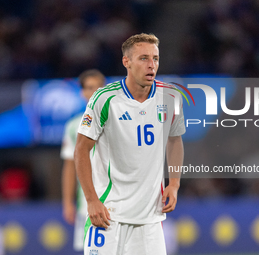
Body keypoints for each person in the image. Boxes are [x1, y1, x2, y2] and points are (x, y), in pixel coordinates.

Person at [74, 33, 185, 255]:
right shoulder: (104, 99)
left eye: (155, 58)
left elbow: (174, 141)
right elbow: (81, 150)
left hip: (150, 218)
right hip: (108, 214)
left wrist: (174, 183)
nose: (151, 65)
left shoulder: (170, 97)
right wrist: (91, 200)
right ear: (127, 62)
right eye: (143, 58)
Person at [61, 69, 105, 252]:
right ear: (82, 92)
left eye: (98, 88)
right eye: (89, 88)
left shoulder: (120, 120)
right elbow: (70, 167)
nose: (94, 92)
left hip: (119, 200)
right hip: (87, 204)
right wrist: (67, 202)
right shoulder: (74, 126)